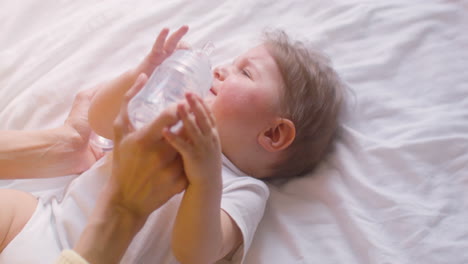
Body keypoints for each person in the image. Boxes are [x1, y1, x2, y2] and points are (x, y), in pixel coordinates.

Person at [0, 25, 344, 263]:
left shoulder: (242, 190)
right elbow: (100, 121)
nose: (221, 69)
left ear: (273, 134)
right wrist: (143, 73)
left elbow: (195, 252)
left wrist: (206, 178)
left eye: (246, 73)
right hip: (45, 222)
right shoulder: (161, 115)